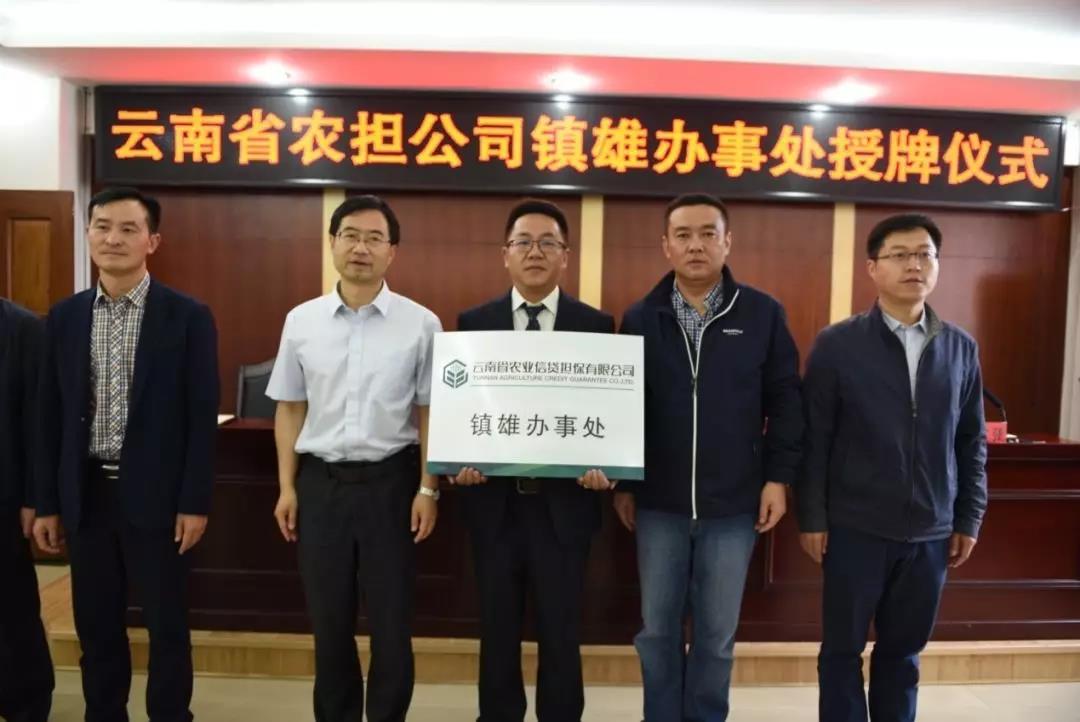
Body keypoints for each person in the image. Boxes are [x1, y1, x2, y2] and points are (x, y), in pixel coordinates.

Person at [615, 192, 803, 722]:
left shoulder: (762, 314)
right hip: (660, 504)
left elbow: (787, 402)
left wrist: (778, 478)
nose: (695, 245)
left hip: (734, 506)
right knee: (658, 631)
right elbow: (624, 407)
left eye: (707, 233)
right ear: (666, 246)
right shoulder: (641, 317)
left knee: (717, 636)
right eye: (683, 235)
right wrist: (626, 483)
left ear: (727, 242)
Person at [34, 187, 220, 722]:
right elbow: (49, 417)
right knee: (96, 624)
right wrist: (47, 502)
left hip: (159, 499)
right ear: (88, 233)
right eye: (102, 226)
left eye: (128, 228)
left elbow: (201, 416)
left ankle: (170, 715)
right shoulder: (65, 317)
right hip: (88, 495)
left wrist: (194, 502)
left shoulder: (187, 316)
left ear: (152, 241)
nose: (113, 238)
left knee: (167, 625)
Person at [797, 213, 988, 722]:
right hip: (854, 527)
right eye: (899, 255)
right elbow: (815, 438)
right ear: (873, 268)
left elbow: (971, 443)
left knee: (902, 655)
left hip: (930, 531)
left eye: (924, 254)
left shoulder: (960, 347)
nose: (913, 265)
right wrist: (812, 517)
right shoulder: (837, 345)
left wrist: (969, 517)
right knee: (842, 651)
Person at [267, 194, 441, 722]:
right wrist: (287, 487)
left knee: (392, 624)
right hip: (321, 487)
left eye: (374, 238)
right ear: (332, 243)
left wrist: (428, 488)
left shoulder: (421, 324)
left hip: (393, 486)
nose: (360, 248)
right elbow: (290, 408)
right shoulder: (302, 321)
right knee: (329, 624)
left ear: (392, 251)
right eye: (350, 236)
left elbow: (430, 413)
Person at [453, 199, 615, 722]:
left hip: (564, 507)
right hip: (494, 505)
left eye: (548, 243)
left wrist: (606, 466)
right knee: (497, 629)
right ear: (505, 254)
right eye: (523, 242)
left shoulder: (596, 326)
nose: (535, 252)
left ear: (566, 256)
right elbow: (463, 410)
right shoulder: (474, 324)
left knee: (561, 629)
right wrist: (459, 460)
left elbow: (607, 413)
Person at [0, 298, 52, 722]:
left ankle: (26, 703)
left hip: (7, 494)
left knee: (12, 605)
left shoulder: (23, 329)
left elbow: (39, 421)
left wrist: (36, 496)